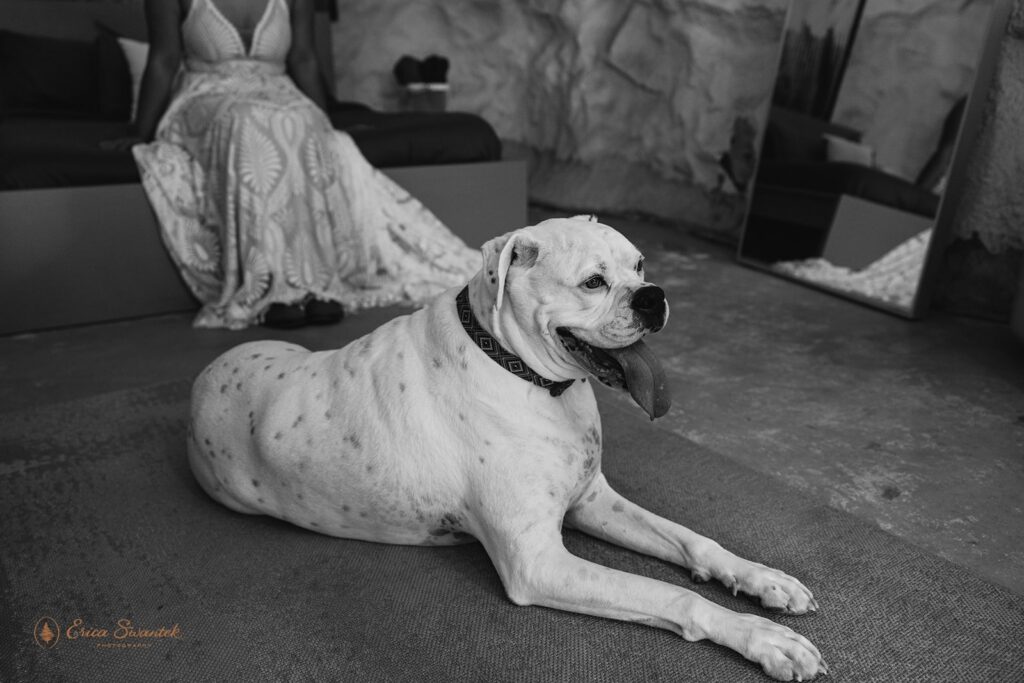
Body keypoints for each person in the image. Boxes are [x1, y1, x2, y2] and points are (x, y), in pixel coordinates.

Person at [122, 0, 480, 329]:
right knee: (248, 121)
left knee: (306, 126)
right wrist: (139, 131)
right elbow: (164, 59)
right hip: (207, 96)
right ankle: (270, 285)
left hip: (281, 93)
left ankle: (316, 282)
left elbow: (305, 58)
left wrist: (325, 122)